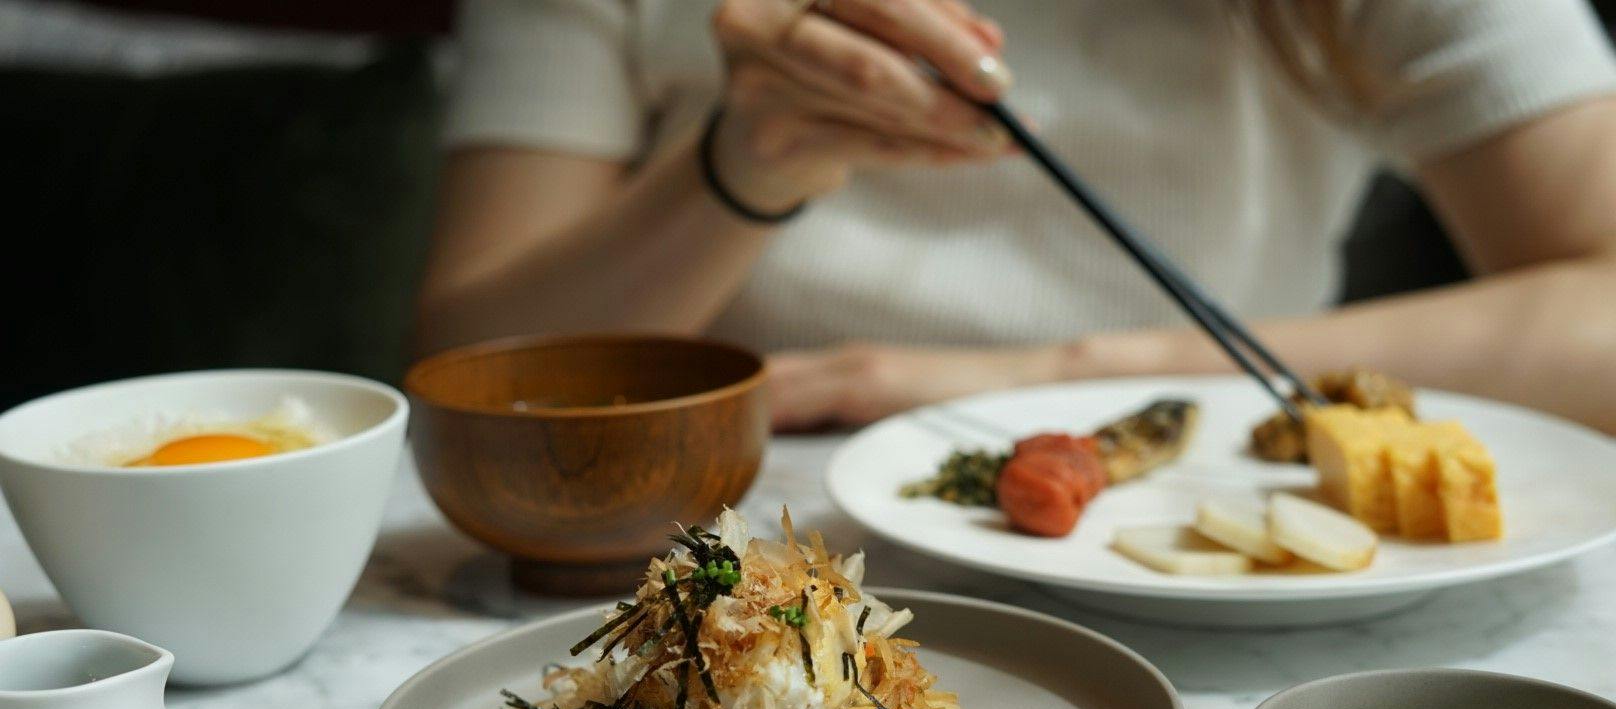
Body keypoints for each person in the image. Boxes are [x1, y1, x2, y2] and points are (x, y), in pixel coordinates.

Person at [416, 0, 1616, 433]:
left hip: (1229, 530)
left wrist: (1063, 376)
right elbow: (471, 374)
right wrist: (741, 165)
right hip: (733, 529)